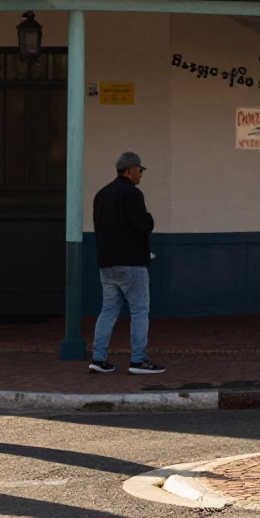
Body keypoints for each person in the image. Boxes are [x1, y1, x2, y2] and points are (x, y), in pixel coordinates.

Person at [89, 152, 165, 375]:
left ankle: (98, 358)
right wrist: (149, 218)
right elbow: (142, 225)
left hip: (107, 262)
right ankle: (139, 360)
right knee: (140, 310)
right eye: (139, 170)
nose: (141, 174)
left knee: (108, 310)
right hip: (131, 262)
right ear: (130, 169)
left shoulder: (101, 194)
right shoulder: (132, 193)